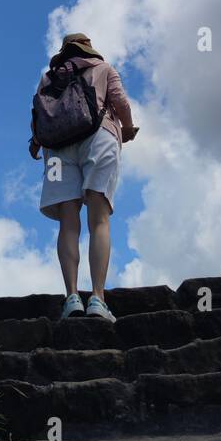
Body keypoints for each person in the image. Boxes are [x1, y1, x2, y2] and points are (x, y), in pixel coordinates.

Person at [30, 32, 138, 322]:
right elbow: (121, 103)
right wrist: (127, 129)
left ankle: (72, 297)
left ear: (64, 52)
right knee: (99, 219)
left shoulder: (48, 78)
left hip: (58, 148)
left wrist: (36, 142)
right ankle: (98, 299)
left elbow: (38, 113)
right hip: (99, 138)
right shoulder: (103, 69)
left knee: (68, 222)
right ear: (89, 48)